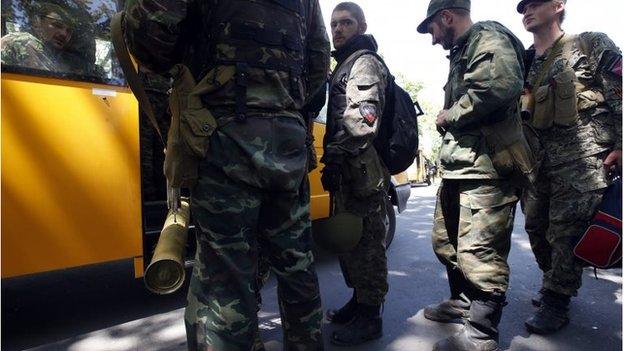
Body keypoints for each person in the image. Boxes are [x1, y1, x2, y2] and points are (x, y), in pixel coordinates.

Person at [123, 1, 330, 350]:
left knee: (226, 280)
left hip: (223, 139)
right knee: (297, 268)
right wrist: (279, 103)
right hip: (287, 140)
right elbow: (317, 63)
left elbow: (149, 44)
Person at [417, 0, 527, 350]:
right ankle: (463, 302)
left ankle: (481, 335)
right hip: (460, 167)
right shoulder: (464, 50)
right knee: (447, 243)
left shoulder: (488, 36)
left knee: (482, 253)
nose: (433, 39)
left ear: (446, 17)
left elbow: (499, 86)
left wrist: (450, 114)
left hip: (488, 170)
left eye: (432, 28)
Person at [517, 0, 622, 335]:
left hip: (583, 159)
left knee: (565, 230)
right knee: (535, 226)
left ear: (558, 5)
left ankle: (556, 298)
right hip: (536, 162)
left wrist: (622, 144)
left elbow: (620, 92)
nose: (526, 11)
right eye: (522, 7)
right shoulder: (523, 60)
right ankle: (554, 281)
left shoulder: (590, 43)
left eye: (535, 4)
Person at [320, 2, 390, 346]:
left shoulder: (363, 62)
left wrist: (333, 156)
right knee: (351, 244)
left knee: (367, 245)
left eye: (346, 22)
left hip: (361, 172)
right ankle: (359, 301)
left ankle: (371, 316)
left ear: (361, 26)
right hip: (349, 170)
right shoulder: (345, 64)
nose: (338, 29)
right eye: (334, 24)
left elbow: (363, 123)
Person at [1, 2, 75, 72]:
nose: (64, 34)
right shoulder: (24, 41)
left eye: (68, 31)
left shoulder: (56, 55)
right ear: (37, 23)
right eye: (57, 25)